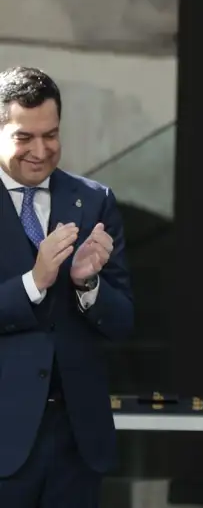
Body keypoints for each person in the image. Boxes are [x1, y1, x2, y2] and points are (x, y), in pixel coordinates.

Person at [0, 67, 134, 507]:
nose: (41, 151)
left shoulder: (95, 199)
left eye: (51, 135)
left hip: (77, 442)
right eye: (24, 137)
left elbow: (122, 322)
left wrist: (89, 283)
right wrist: (33, 282)